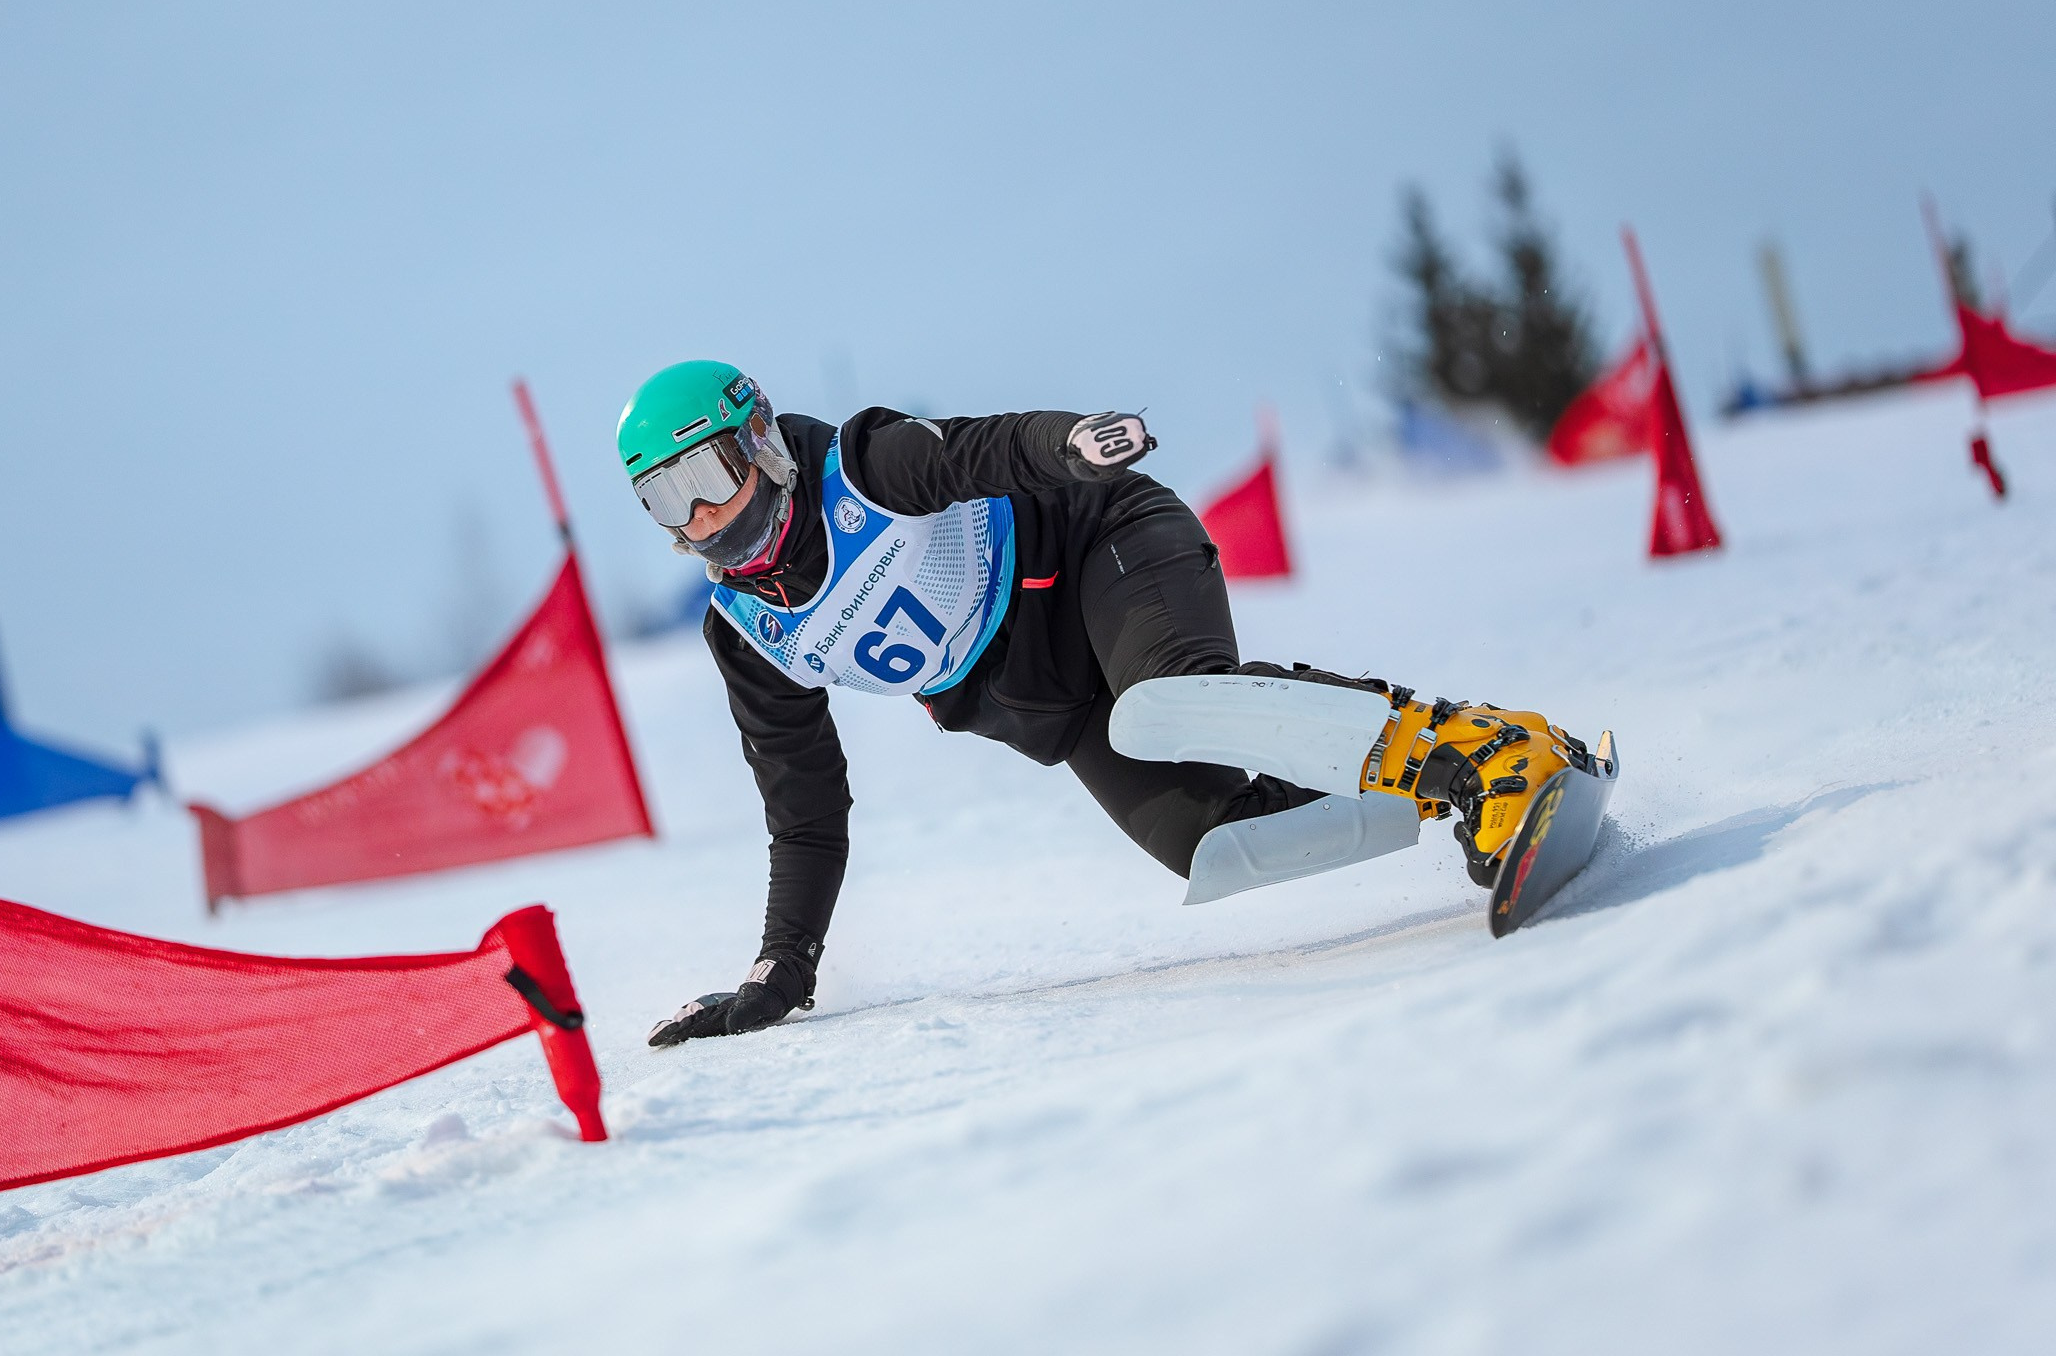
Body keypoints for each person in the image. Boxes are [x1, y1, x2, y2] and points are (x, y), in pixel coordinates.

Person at [619, 360, 1591, 1047]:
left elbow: (980, 452)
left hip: (1100, 545)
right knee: (1210, 841)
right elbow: (804, 812)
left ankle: (1495, 754)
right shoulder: (746, 633)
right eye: (666, 499)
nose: (701, 515)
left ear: (760, 442)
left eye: (706, 475)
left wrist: (1074, 446)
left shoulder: (862, 467)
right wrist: (778, 973)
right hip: (1058, 698)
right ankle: (1461, 791)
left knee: (1179, 698)